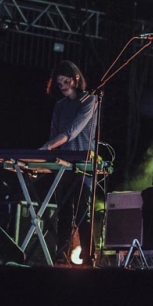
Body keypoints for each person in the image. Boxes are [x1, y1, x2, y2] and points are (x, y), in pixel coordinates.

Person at [40, 60, 97, 265]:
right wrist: (46, 157)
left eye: (66, 81)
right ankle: (61, 254)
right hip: (63, 163)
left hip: (83, 164)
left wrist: (45, 147)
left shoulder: (90, 100)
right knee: (63, 211)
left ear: (76, 79)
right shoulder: (59, 106)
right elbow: (54, 134)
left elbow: (71, 132)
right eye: (59, 83)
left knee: (83, 211)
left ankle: (89, 256)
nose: (63, 86)